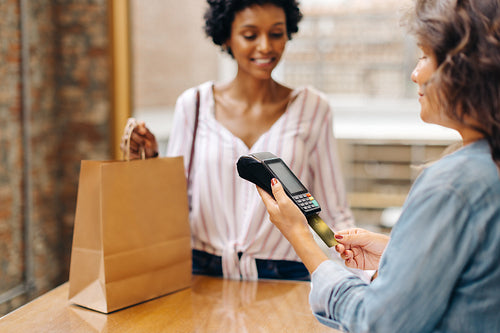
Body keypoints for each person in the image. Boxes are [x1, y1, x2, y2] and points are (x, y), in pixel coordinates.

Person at [256, 0, 500, 331]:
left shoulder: (451, 183)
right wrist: (396, 255)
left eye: (425, 56)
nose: (415, 74)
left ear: (464, 68)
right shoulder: (487, 167)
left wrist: (299, 236)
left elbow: (378, 323)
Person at [123, 0, 354, 281]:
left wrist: (360, 270)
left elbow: (332, 209)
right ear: (226, 37)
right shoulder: (194, 105)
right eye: (250, 35)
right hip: (201, 273)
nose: (265, 46)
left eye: (276, 33)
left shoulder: (313, 107)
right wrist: (148, 165)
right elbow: (176, 202)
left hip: (288, 273)